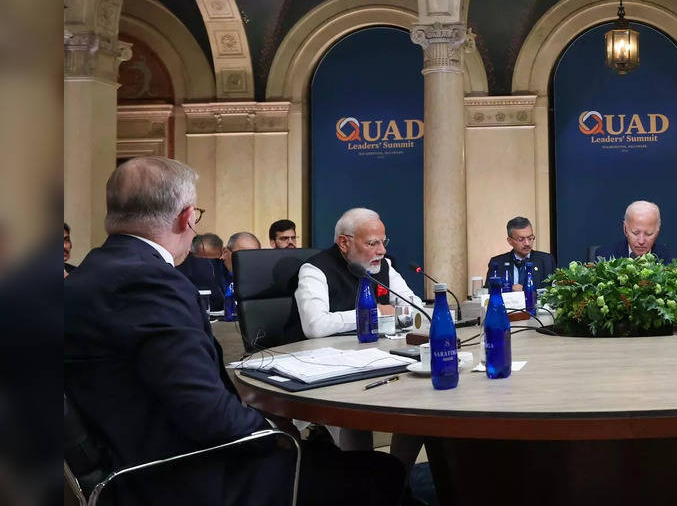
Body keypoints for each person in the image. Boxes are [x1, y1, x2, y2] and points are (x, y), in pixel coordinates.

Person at [63, 156, 405, 506]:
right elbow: (204, 411)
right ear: (186, 217)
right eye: (196, 217)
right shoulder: (150, 281)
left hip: (134, 461)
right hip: (185, 476)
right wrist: (271, 430)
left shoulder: (87, 274)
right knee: (382, 472)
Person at [293, 207, 426, 340]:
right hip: (320, 354)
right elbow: (315, 326)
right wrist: (375, 313)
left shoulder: (383, 264)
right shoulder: (315, 269)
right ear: (344, 243)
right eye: (372, 243)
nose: (382, 251)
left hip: (370, 348)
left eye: (383, 242)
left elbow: (414, 305)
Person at [485, 216, 556, 289]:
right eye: (521, 239)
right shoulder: (497, 263)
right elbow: (488, 293)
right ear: (510, 241)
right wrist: (509, 291)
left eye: (530, 238)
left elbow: (554, 293)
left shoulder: (547, 261)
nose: (527, 243)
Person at [598, 200, 674, 262]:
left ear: (657, 232)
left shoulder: (670, 260)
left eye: (648, 234)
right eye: (635, 233)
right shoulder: (605, 256)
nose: (641, 241)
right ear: (625, 229)